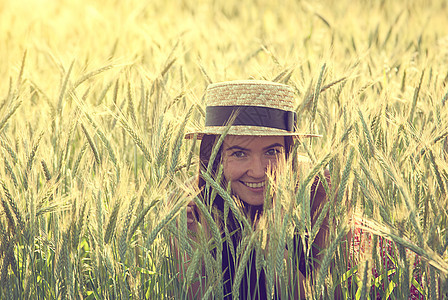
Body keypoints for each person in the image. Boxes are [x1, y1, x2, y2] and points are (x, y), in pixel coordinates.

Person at [178, 80, 329, 299]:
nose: (258, 172)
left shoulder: (318, 193)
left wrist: (273, 241)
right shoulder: (191, 205)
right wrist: (192, 246)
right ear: (216, 156)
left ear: (288, 153)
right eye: (239, 154)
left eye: (272, 152)